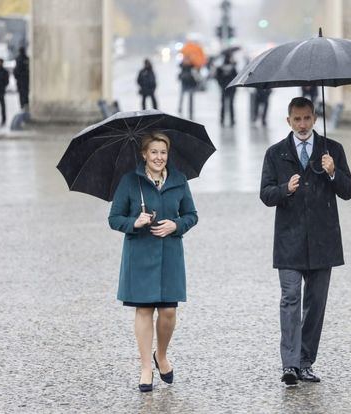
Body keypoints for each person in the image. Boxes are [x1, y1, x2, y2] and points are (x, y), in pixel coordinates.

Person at [260, 97, 351, 386]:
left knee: (316, 304)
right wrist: (284, 189)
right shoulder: (275, 153)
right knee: (290, 299)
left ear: (315, 118)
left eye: (307, 118)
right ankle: (289, 366)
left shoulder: (332, 150)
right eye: (296, 119)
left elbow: (349, 191)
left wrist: (333, 172)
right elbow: (265, 194)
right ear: (288, 120)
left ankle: (305, 362)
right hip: (289, 240)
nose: (302, 124)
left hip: (323, 239)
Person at [108, 132, 198, 392]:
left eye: (163, 152)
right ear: (144, 154)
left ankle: (162, 355)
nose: (159, 157)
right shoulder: (129, 182)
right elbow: (114, 218)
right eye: (154, 152)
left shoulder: (179, 181)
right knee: (144, 310)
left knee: (169, 312)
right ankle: (146, 367)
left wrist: (176, 225)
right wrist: (133, 223)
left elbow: (191, 214)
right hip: (140, 255)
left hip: (170, 253)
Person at [215, 53, 238, 126]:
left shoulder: (220, 68)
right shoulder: (233, 68)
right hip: (231, 88)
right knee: (231, 104)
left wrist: (221, 85)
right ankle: (232, 120)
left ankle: (222, 120)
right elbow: (236, 78)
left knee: (223, 104)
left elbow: (217, 78)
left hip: (224, 88)